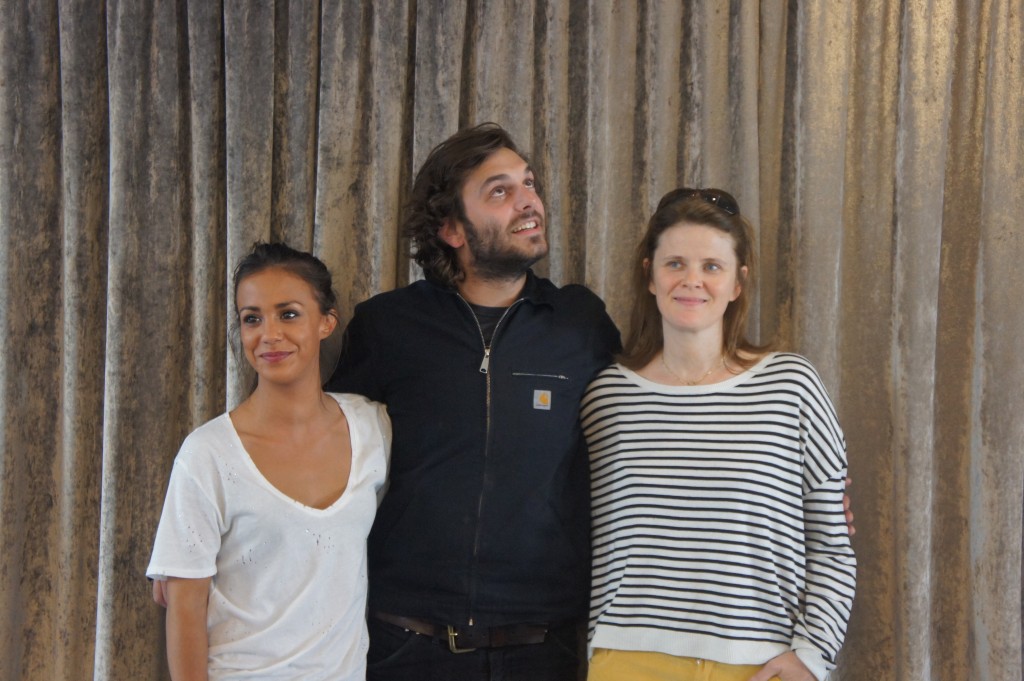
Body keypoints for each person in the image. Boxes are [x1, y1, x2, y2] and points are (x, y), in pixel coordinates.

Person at [326, 123, 621, 680]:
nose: (528, 201)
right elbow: (321, 459)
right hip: (406, 642)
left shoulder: (580, 324)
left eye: (528, 183)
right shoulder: (387, 327)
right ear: (451, 229)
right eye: (500, 191)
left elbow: (635, 444)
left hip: (543, 648)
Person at [580, 188, 856, 681]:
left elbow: (832, 545)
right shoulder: (605, 397)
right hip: (627, 658)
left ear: (737, 283)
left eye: (712, 266)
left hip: (762, 663)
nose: (692, 280)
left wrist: (812, 656)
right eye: (675, 264)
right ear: (650, 276)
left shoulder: (791, 386)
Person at [147, 242, 390, 680]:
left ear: (326, 322)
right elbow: (183, 608)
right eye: (252, 318)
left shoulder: (373, 428)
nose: (269, 334)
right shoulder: (207, 455)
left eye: (288, 314)